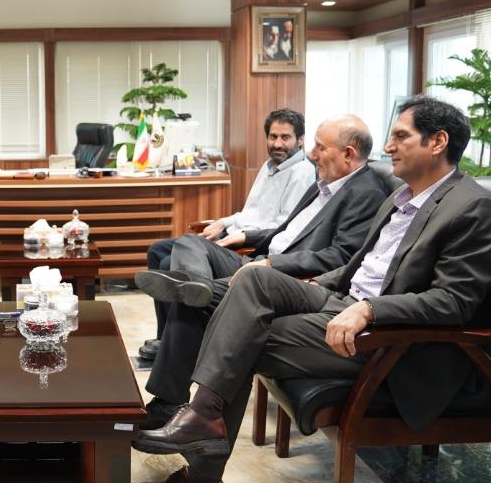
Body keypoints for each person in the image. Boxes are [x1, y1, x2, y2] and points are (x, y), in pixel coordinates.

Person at [130, 96, 491, 483]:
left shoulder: (472, 207)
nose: (387, 147)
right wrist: (305, 284)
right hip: (338, 298)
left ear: (438, 142)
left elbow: (454, 302)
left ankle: (201, 476)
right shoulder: (402, 197)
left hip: (381, 338)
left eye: (401, 136)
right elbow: (356, 264)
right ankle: (199, 386)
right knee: (254, 278)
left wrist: (371, 310)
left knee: (235, 332)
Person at [136, 115, 388, 428]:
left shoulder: (365, 193)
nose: (311, 154)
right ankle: (194, 287)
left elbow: (341, 257)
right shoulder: (324, 184)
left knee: (190, 304)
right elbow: (286, 230)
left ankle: (166, 404)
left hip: (284, 277)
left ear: (349, 154)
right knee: (189, 244)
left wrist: (272, 264)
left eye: (320, 148)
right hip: (262, 259)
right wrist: (247, 238)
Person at [139, 108, 315, 361]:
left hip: (249, 245)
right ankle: (165, 335)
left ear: (300, 140)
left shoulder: (302, 174)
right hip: (232, 233)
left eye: (285, 137)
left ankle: (177, 343)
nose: (277, 143)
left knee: (169, 264)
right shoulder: (269, 166)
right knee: (157, 251)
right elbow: (249, 212)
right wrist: (223, 222)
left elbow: (285, 227)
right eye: (273, 136)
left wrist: (241, 235)